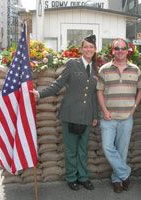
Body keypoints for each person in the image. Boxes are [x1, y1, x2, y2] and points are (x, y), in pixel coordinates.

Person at [31, 35, 98, 191]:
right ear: (81, 49)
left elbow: (94, 94)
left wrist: (95, 116)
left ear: (95, 50)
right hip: (70, 114)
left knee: (83, 150)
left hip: (87, 116)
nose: (89, 49)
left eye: (92, 47)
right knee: (70, 149)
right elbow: (58, 84)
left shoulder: (95, 68)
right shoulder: (72, 64)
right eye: (86, 46)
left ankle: (83, 177)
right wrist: (40, 94)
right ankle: (71, 177)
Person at [97, 38, 141, 193]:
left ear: (127, 50)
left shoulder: (135, 69)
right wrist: (104, 111)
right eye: (117, 48)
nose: (120, 51)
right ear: (113, 50)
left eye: (123, 48)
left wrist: (134, 107)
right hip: (108, 118)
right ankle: (125, 173)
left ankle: (117, 180)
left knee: (122, 150)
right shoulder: (104, 69)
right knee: (108, 147)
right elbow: (99, 91)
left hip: (126, 117)